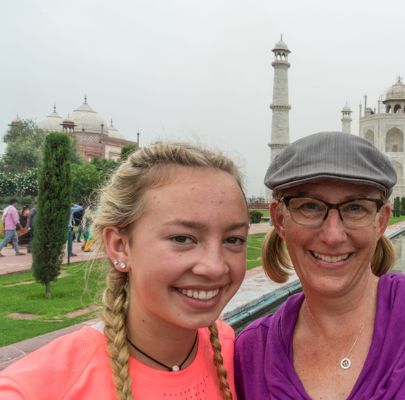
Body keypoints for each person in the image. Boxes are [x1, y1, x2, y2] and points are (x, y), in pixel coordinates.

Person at [235, 132, 405, 399]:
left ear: (381, 221)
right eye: (309, 206)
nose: (333, 236)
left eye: (355, 208)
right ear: (280, 219)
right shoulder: (252, 350)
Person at [0, 142, 249, 399]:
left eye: (233, 240)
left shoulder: (228, 345)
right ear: (120, 246)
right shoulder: (37, 388)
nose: (214, 266)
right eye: (183, 238)